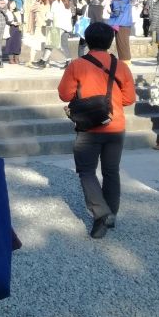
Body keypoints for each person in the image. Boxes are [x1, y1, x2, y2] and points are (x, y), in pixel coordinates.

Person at [57, 22, 136, 239]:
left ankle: (101, 214)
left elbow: (64, 94)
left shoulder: (77, 65)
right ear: (110, 42)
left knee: (86, 171)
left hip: (88, 128)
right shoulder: (121, 66)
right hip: (115, 125)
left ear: (88, 40)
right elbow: (129, 99)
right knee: (112, 171)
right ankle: (109, 215)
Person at [34, 0, 72, 69]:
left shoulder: (56, 3)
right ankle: (69, 62)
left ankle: (43, 61)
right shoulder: (67, 3)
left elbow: (51, 16)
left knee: (50, 45)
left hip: (57, 25)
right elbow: (70, 15)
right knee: (64, 46)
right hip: (67, 27)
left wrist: (46, 14)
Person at [106, 0, 133, 65]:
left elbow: (116, 13)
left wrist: (110, 12)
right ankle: (126, 61)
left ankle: (125, 62)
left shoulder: (117, 0)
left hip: (119, 23)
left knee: (121, 44)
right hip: (126, 23)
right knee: (124, 43)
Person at [2, 0, 23, 65]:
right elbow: (5, 20)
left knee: (17, 43)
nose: (14, 5)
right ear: (9, 4)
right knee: (10, 43)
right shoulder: (7, 12)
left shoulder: (17, 12)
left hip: (17, 29)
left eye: (15, 4)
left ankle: (16, 58)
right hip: (10, 29)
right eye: (12, 4)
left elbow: (21, 20)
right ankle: (11, 59)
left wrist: (22, 15)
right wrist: (12, 23)